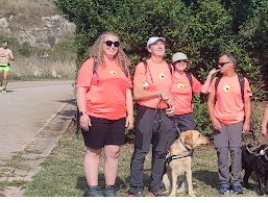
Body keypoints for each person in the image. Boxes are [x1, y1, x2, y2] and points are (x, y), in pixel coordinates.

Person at [76, 31, 134, 197]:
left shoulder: (122, 66)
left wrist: (130, 115)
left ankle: (109, 188)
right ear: (100, 45)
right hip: (95, 115)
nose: (112, 46)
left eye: (116, 43)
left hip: (118, 117)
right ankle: (93, 189)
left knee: (113, 152)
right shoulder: (91, 64)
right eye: (108, 43)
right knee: (94, 152)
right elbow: (81, 90)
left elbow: (128, 92)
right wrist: (83, 113)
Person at [128, 36, 176, 197]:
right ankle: (135, 188)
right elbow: (137, 93)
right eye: (156, 44)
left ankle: (155, 187)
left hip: (165, 114)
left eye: (162, 43)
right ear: (149, 49)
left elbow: (171, 92)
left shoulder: (169, 67)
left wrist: (172, 106)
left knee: (161, 151)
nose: (160, 46)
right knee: (141, 151)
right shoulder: (143, 66)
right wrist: (158, 93)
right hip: (147, 113)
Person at [208, 52, 253, 195]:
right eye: (219, 63)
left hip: (237, 121)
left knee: (236, 152)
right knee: (221, 153)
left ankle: (236, 182)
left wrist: (246, 122)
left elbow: (247, 103)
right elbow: (210, 101)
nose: (218, 66)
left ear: (231, 64)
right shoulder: (216, 81)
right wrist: (214, 119)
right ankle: (223, 182)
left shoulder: (242, 80)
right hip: (220, 122)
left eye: (222, 64)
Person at [167, 52, 204, 133]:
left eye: (184, 61)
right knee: (168, 143)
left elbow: (202, 89)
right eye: (179, 61)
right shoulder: (168, 77)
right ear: (174, 63)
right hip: (170, 116)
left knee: (187, 144)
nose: (182, 63)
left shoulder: (190, 77)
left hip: (186, 117)